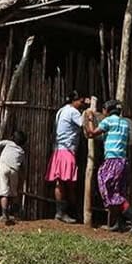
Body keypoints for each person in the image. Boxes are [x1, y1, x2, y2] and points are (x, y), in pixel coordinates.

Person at [84, 101, 132, 234]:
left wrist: (89, 119)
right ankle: (120, 223)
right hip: (122, 161)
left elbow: (91, 134)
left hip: (112, 160)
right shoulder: (124, 123)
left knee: (108, 189)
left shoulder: (108, 121)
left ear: (107, 110)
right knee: (118, 191)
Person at [46, 92, 87, 223]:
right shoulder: (74, 112)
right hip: (67, 151)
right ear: (75, 101)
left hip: (58, 149)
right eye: (81, 102)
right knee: (70, 184)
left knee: (59, 183)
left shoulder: (61, 111)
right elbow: (84, 125)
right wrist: (90, 112)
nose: (81, 105)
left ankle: (59, 212)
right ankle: (71, 212)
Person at [0, 130, 27, 225]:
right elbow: (23, 166)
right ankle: (15, 214)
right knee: (13, 193)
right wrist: (22, 178)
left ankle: (4, 215)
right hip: (14, 170)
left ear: (12, 138)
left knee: (4, 193)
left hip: (3, 167)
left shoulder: (8, 143)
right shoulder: (22, 151)